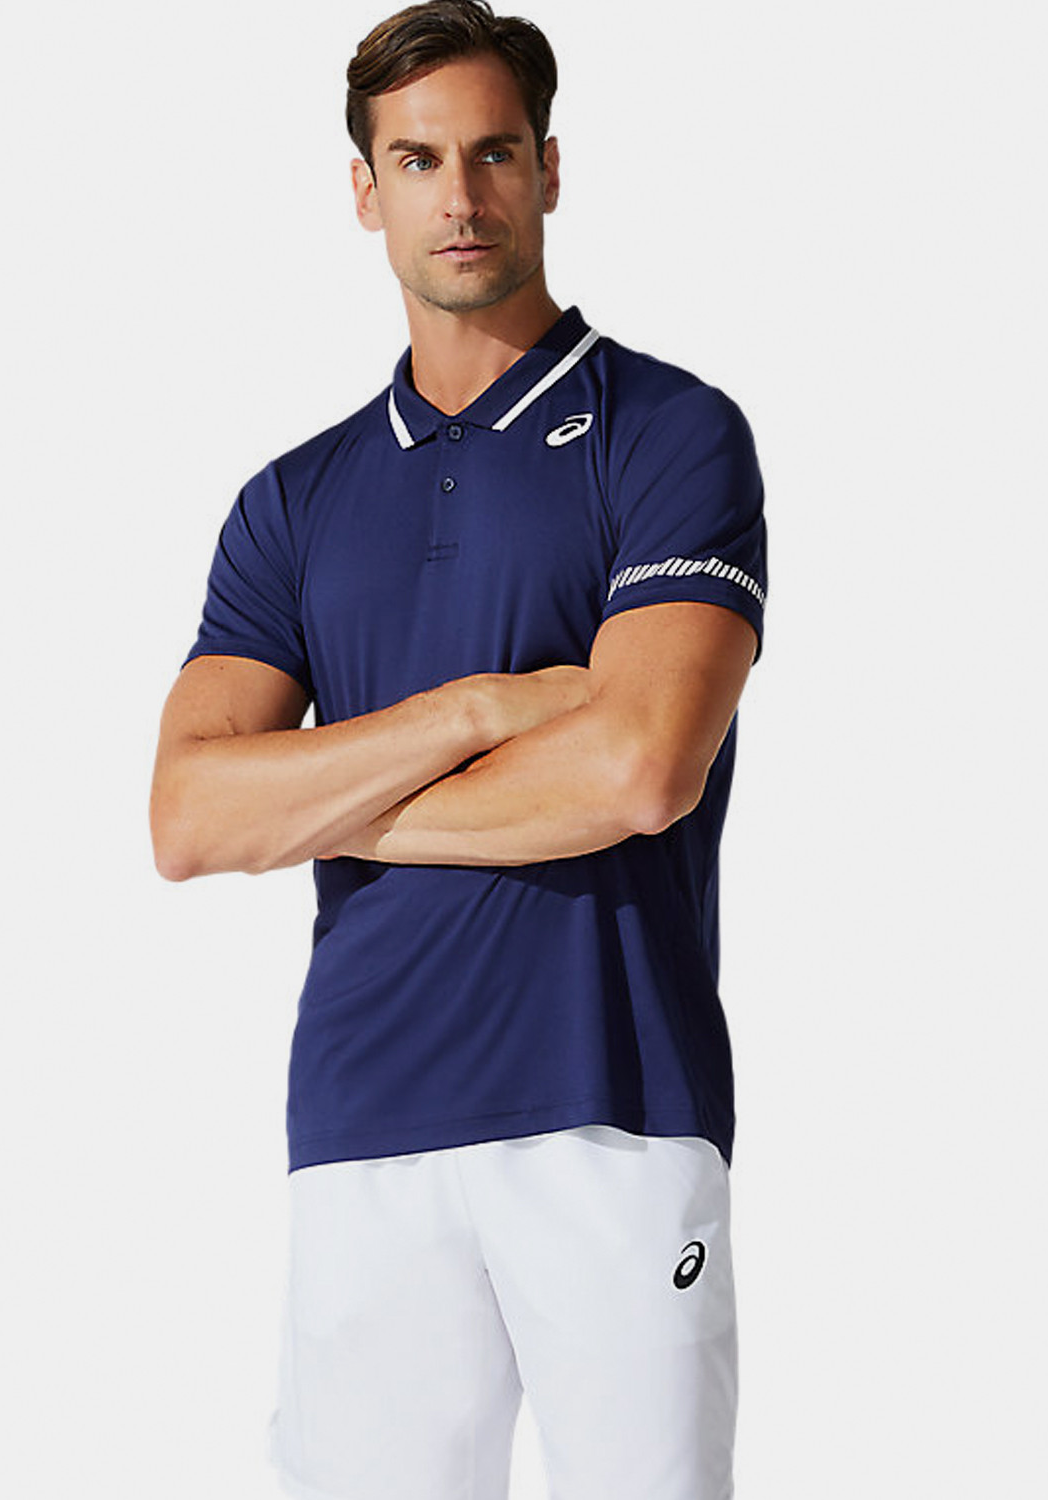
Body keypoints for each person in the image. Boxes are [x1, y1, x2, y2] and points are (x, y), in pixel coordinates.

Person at [149, 3, 767, 1496]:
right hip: (363, 1117)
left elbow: (639, 769)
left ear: (549, 169)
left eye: (494, 152)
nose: (462, 195)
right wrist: (479, 712)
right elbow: (188, 816)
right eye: (419, 160)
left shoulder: (669, 434)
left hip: (612, 1101)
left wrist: (329, 805)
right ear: (366, 190)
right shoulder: (294, 502)